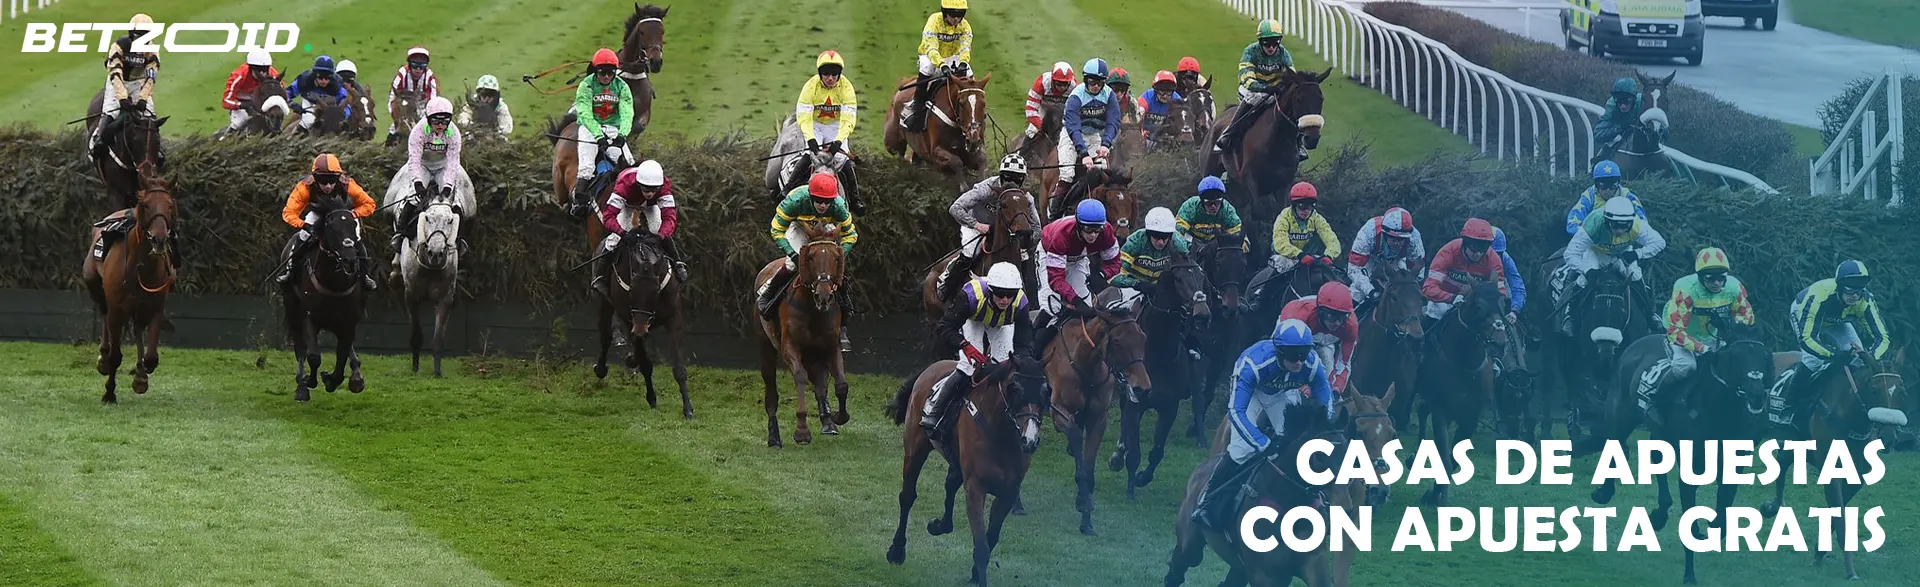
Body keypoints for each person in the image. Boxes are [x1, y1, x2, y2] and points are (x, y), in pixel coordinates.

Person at [1192, 318, 1333, 532]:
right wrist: (1262, 442)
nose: (1299, 362)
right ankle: (1206, 501)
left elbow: (1326, 402)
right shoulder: (1253, 365)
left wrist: (1323, 429)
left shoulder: (1312, 365)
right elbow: (1236, 412)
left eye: (1303, 355)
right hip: (1252, 395)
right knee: (1242, 450)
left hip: (1281, 393)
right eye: (1293, 356)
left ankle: (1311, 499)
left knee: (1297, 444)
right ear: (1279, 352)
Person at [1635, 247, 1754, 426]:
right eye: (1710, 278)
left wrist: (1731, 325)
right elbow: (1675, 331)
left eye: (1721, 277)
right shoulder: (1686, 289)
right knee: (1685, 367)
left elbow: (1747, 317)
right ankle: (1655, 400)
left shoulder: (1734, 286)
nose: (1717, 283)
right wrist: (1701, 348)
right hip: (1684, 336)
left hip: (1716, 337)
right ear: (1699, 277)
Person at [922, 262, 1036, 431]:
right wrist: (964, 345)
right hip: (974, 319)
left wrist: (1021, 362)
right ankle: (935, 408)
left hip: (1002, 324)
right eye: (1000, 294)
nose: (1005, 299)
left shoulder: (1021, 303)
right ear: (990, 291)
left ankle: (1007, 414)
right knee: (968, 366)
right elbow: (944, 326)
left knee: (1004, 367)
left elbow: (1023, 341)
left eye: (1010, 294)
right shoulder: (970, 296)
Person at [758, 172, 860, 350]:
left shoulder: (838, 206)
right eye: (818, 200)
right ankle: (768, 295)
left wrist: (839, 255)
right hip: (799, 226)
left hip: (825, 229)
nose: (822, 205)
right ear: (811, 196)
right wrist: (793, 254)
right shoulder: (795, 201)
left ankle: (845, 309)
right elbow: (776, 230)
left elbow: (851, 235)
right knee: (791, 265)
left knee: (830, 267)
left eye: (826, 202)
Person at [1779, 260, 1893, 401]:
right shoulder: (1819, 297)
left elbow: (1883, 337)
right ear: (1838, 287)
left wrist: (1871, 357)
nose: (1855, 296)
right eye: (1850, 290)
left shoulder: (1865, 301)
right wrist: (1833, 354)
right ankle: (1789, 402)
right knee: (1813, 360)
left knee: (1858, 360)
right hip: (1804, 314)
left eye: (1859, 290)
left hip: (1838, 322)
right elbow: (1807, 339)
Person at [1555, 196, 1666, 334]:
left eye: (1624, 226)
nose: (1619, 230)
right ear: (1606, 221)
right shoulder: (1593, 223)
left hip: (1622, 254)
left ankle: (1650, 314)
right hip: (1596, 253)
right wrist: (1585, 270)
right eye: (1615, 225)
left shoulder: (1638, 225)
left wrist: (1638, 253)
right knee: (1583, 280)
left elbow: (1660, 242)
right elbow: (1570, 253)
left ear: (1631, 222)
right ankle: (1570, 315)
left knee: (1636, 276)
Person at [388, 96, 472, 280]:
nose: (441, 125)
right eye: (436, 121)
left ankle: (461, 240)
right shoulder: (418, 132)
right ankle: (400, 233)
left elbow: (453, 162)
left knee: (455, 202)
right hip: (423, 166)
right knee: (412, 197)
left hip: (443, 167)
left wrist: (448, 186)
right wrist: (418, 183)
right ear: (428, 119)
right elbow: (414, 160)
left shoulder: (453, 133)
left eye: (445, 121)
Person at [941, 154, 1039, 302]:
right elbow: (956, 208)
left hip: (1006, 230)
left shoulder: (1026, 198)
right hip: (977, 224)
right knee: (970, 251)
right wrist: (977, 225)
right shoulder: (985, 188)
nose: (1012, 182)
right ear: (1001, 176)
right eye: (1008, 177)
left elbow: (1037, 227)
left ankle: (1030, 298)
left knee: (1025, 256)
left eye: (1017, 179)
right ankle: (947, 287)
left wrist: (1027, 241)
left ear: (1022, 179)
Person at [1032, 200, 1124, 355]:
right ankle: (1032, 350)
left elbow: (1115, 263)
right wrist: (1074, 299)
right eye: (1088, 229)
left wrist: (1102, 274)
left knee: (1088, 306)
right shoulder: (1062, 235)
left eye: (1097, 229)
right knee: (1052, 307)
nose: (1093, 235)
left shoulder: (1107, 232)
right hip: (1049, 254)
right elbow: (1056, 280)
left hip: (1078, 259)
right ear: (1079, 225)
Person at [274, 154, 378, 290]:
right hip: (318, 214)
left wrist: (352, 214)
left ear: (338, 177)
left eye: (332, 180)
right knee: (303, 236)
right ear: (315, 178)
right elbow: (289, 212)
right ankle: (291, 272)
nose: (328, 186)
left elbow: (369, 203)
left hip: (343, 215)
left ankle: (365, 276)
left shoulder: (347, 184)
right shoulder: (305, 187)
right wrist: (304, 225)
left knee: (356, 239)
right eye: (323, 181)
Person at [592, 159, 689, 298]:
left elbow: (670, 218)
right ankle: (599, 277)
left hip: (651, 206)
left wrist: (660, 236)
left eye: (654, 189)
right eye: (645, 189)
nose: (650, 193)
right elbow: (608, 216)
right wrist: (623, 234)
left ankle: (678, 263)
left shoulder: (664, 185)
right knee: (614, 238)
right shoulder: (624, 184)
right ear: (638, 184)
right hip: (627, 203)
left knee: (659, 228)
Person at [1216, 20, 1301, 160]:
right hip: (1252, 90)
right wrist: (1265, 88)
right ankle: (1228, 133)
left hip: (1274, 91)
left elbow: (1292, 76)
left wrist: (1284, 87)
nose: (1271, 47)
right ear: (1260, 41)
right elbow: (1247, 79)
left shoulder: (1284, 54)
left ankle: (1299, 141)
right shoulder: (1250, 51)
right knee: (1253, 98)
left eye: (1275, 42)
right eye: (1267, 43)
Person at [792, 50, 862, 211]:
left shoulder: (847, 87)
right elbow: (804, 116)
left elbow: (848, 119)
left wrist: (839, 141)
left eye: (834, 74)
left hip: (836, 126)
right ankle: (786, 189)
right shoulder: (810, 86)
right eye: (826, 74)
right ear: (820, 74)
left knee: (841, 158)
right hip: (815, 124)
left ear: (839, 74)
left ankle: (855, 199)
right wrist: (810, 138)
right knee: (808, 155)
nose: (830, 78)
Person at [571, 48, 637, 209]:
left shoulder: (622, 87)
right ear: (595, 71)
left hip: (613, 128)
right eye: (602, 73)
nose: (606, 77)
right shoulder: (586, 85)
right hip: (589, 128)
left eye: (610, 73)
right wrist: (598, 135)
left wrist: (622, 134)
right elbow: (585, 113)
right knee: (587, 167)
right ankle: (577, 202)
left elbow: (627, 112)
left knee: (629, 163)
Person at [92, 13, 160, 163]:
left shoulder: (152, 50)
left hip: (138, 83)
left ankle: (158, 150)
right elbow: (115, 71)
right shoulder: (119, 45)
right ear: (131, 34)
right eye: (139, 35)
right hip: (118, 80)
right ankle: (99, 141)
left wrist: (142, 98)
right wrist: (122, 97)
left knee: (150, 114)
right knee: (111, 110)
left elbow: (151, 76)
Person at [1056, 58, 1122, 204]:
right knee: (1067, 174)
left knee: (1101, 171)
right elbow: (1073, 127)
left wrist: (1106, 144)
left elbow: (1114, 121)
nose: (1096, 86)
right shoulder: (1076, 96)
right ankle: (1055, 211)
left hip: (1093, 136)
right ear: (1085, 79)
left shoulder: (1109, 95)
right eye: (1092, 82)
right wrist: (1084, 153)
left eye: (1100, 83)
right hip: (1072, 136)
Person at [1421, 218, 1510, 323]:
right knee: (1438, 312)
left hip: (1475, 306)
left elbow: (1500, 292)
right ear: (1464, 243)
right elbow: (1428, 288)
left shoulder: (1493, 259)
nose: (1477, 253)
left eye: (1483, 248)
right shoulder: (1447, 252)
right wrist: (1452, 298)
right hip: (1445, 301)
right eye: (1473, 247)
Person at [904, 0, 973, 132]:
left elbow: (965, 47)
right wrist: (942, 65)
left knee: (969, 74)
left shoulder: (965, 26)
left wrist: (963, 62)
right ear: (945, 13)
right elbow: (931, 47)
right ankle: (917, 108)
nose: (956, 19)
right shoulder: (934, 20)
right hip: (930, 55)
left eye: (959, 15)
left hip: (953, 57)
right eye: (953, 15)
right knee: (927, 68)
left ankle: (973, 114)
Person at [1280, 282, 1356, 392]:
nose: (1337, 323)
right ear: (1320, 312)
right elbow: (1285, 356)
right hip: (1296, 339)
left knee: (1327, 385)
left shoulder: (1350, 325)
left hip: (1326, 343)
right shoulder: (1298, 316)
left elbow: (1344, 363)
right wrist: (1300, 386)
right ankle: (1259, 296)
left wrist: (1336, 387)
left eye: (1342, 318)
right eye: (1332, 317)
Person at [1346, 207, 1425, 305]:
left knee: (1403, 289)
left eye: (1402, 239)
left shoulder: (1414, 239)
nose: (1398, 243)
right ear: (1384, 233)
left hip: (1397, 259)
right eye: (1394, 238)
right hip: (1370, 257)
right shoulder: (1369, 232)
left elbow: (1417, 272)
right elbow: (1353, 270)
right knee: (1357, 293)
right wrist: (1370, 291)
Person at [1109, 207, 1189, 294]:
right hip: (1132, 289)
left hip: (1160, 289)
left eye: (1165, 237)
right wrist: (1136, 284)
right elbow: (1114, 276)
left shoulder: (1177, 243)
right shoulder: (1135, 242)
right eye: (1156, 236)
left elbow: (1191, 270)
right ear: (1148, 233)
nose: (1161, 242)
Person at [1593, 77, 1663, 161]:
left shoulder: (1643, 102)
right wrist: (1619, 128)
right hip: (1621, 141)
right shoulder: (1612, 106)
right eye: (1619, 101)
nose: (1623, 106)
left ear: (1634, 100)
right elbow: (1598, 134)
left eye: (1627, 101)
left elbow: (1662, 128)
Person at [1566, 160, 1643, 235]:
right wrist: (1589, 234)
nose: (1608, 190)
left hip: (1621, 240)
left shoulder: (1628, 197)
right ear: (1596, 185)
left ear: (1618, 184)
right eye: (1604, 186)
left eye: (1612, 186)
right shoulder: (1589, 197)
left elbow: (1642, 222)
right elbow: (1572, 224)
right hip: (1595, 242)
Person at [220, 50, 282, 134]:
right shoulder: (238, 76)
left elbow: (281, 96)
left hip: (261, 101)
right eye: (259, 70)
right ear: (251, 68)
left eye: (265, 70)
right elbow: (226, 101)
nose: (263, 74)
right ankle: (225, 138)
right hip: (240, 102)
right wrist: (241, 105)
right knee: (239, 122)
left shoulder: (274, 75)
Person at [287, 55, 351, 134]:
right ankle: (292, 137)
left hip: (330, 108)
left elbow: (345, 101)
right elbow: (287, 93)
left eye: (327, 78)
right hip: (310, 103)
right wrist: (292, 104)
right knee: (308, 121)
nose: (323, 81)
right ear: (314, 75)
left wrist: (344, 113)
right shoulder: (304, 80)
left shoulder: (337, 85)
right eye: (320, 77)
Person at [1174, 176, 1243, 249]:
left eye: (1217, 202)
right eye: (1209, 203)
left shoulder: (1227, 209)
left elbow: (1238, 234)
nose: (1213, 207)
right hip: (1192, 242)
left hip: (1217, 243)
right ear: (1202, 201)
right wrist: (1187, 249)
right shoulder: (1190, 206)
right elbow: (1177, 233)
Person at [388, 46, 441, 141]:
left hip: (423, 108)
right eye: (414, 65)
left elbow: (434, 103)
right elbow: (392, 100)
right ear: (409, 65)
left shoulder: (430, 78)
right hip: (404, 109)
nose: (418, 70)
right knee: (393, 131)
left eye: (422, 67)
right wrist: (397, 119)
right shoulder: (401, 75)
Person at [1022, 62, 1076, 143]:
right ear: (1053, 80)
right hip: (1044, 109)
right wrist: (1041, 126)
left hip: (1062, 111)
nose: (1062, 87)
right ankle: (1023, 153)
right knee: (1032, 130)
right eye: (1059, 84)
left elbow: (1075, 110)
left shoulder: (1074, 86)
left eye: (1065, 84)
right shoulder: (1042, 83)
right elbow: (1030, 108)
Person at [1137, 70, 1184, 146]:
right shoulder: (1147, 97)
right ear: (1155, 90)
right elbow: (1137, 116)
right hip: (1146, 138)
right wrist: (1140, 131)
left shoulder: (1178, 101)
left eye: (1168, 93)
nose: (1165, 96)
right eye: (1162, 92)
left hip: (1167, 141)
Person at [1491, 227, 1525, 324]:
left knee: (1510, 299)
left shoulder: (1505, 258)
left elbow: (1516, 283)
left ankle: (1525, 326)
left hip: (1499, 283)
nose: (1495, 258)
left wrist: (1515, 310)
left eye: (1499, 254)